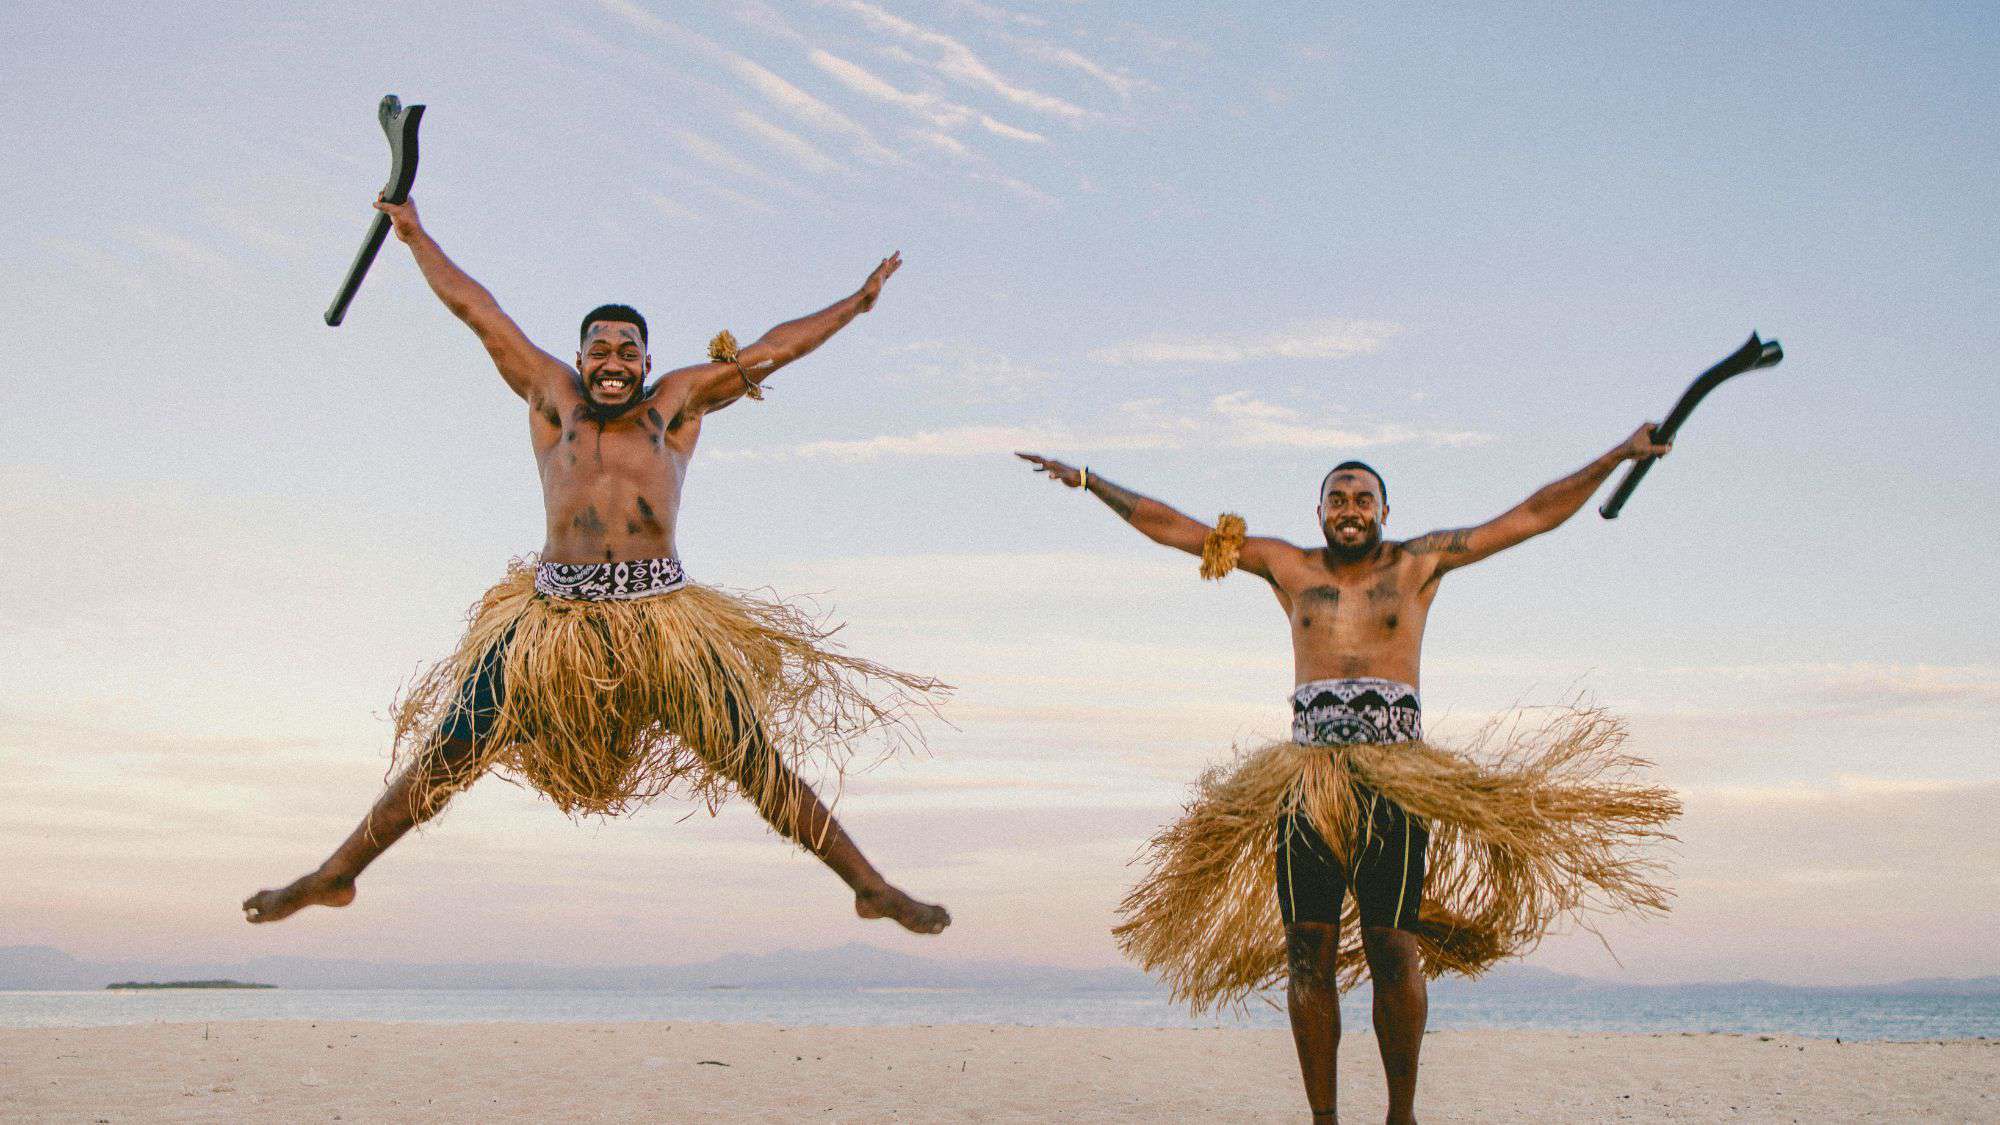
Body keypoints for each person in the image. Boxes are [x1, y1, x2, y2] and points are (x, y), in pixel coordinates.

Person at [243, 196, 949, 936]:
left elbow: (780, 346)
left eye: (627, 351)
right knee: (449, 751)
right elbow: (476, 309)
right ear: (581, 359)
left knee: (756, 764)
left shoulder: (676, 403)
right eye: (600, 350)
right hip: (554, 623)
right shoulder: (555, 399)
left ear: (647, 360)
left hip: (662, 621)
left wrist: (859, 304)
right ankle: (336, 874)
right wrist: (415, 235)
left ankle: (869, 886)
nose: (613, 362)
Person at [1016, 435, 1682, 1123]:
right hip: (1307, 783)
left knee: (1394, 947)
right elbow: (1179, 529)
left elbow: (1530, 515)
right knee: (1308, 954)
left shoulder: (1420, 562)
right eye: (1338, 499)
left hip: (1397, 784)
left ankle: (1401, 1114)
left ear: (1385, 508)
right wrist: (1092, 480)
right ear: (1320, 511)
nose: (1350, 509)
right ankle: (1325, 1119)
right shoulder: (1287, 566)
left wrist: (1613, 458)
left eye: (1363, 498)